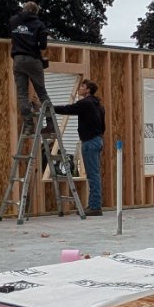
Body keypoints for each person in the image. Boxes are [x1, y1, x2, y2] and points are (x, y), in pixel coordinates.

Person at [54, 79, 106, 215]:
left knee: (92, 175)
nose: (79, 88)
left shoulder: (85, 103)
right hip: (97, 140)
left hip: (90, 142)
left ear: (88, 90)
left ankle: (95, 207)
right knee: (94, 174)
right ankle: (94, 205)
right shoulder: (99, 106)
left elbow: (68, 109)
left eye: (82, 86)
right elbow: (103, 127)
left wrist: (51, 108)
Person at [9, 1, 52, 124]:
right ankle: (50, 122)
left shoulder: (13, 21)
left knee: (22, 94)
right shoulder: (39, 24)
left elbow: (12, 36)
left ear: (24, 9)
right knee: (41, 92)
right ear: (35, 12)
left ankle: (28, 124)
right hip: (33, 59)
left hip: (18, 60)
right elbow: (43, 45)